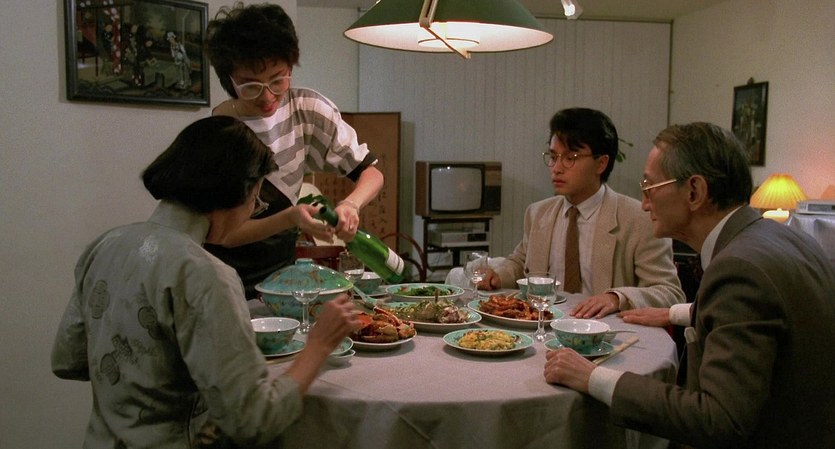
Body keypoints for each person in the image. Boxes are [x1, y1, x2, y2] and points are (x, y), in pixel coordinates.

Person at [51, 116, 359, 448]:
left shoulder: (105, 245)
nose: (252, 211)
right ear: (237, 191)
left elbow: (68, 360)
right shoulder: (205, 273)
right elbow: (254, 421)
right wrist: (318, 346)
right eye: (256, 201)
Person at [544, 122, 835, 449]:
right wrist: (679, 312)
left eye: (649, 186)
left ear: (694, 191)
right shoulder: (779, 237)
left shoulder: (739, 269)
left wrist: (591, 377)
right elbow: (765, 316)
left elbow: (718, 419)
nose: (644, 203)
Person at [204, 2, 385, 298]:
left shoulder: (307, 110)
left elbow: (371, 172)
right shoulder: (219, 131)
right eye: (250, 86)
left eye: (278, 79)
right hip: (220, 275)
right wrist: (291, 217)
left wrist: (351, 205)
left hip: (281, 275)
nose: (267, 96)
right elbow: (223, 235)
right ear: (229, 80)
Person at [479, 107, 685, 317]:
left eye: (570, 158)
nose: (557, 168)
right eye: (553, 157)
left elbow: (670, 293)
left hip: (603, 329)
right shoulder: (538, 213)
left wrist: (617, 298)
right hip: (542, 323)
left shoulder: (639, 219)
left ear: (601, 163)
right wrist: (498, 275)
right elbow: (520, 263)